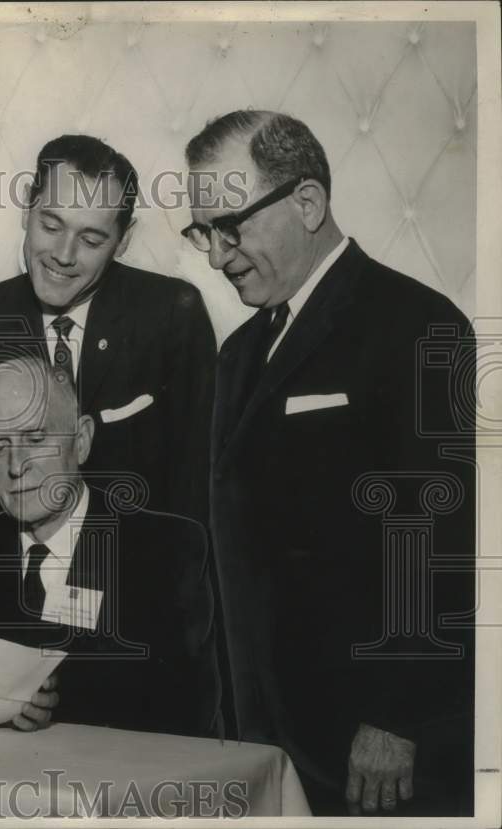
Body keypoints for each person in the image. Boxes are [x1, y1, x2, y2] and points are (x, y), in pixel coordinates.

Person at [183, 110, 475, 815]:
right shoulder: (239, 353)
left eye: (232, 226)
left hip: (371, 743)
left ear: (307, 202)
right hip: (264, 734)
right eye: (204, 234)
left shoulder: (418, 324)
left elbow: (437, 542)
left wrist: (396, 716)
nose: (219, 256)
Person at [0, 356, 220, 736]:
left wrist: (55, 708)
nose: (16, 465)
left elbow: (188, 714)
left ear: (81, 441)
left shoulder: (166, 550)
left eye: (36, 439)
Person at [0, 134, 216, 535]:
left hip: (141, 578)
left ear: (124, 240)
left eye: (90, 239)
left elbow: (199, 487)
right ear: (26, 211)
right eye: (51, 225)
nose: (64, 255)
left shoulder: (171, 314)